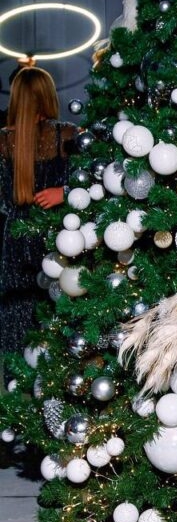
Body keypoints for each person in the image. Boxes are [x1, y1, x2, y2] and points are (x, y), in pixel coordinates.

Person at [0, 67, 75, 372]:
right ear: (48, 96)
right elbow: (91, 185)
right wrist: (64, 193)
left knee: (16, 315)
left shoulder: (3, 140)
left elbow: (3, 201)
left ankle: (15, 383)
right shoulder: (67, 134)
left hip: (16, 238)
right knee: (59, 309)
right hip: (57, 235)